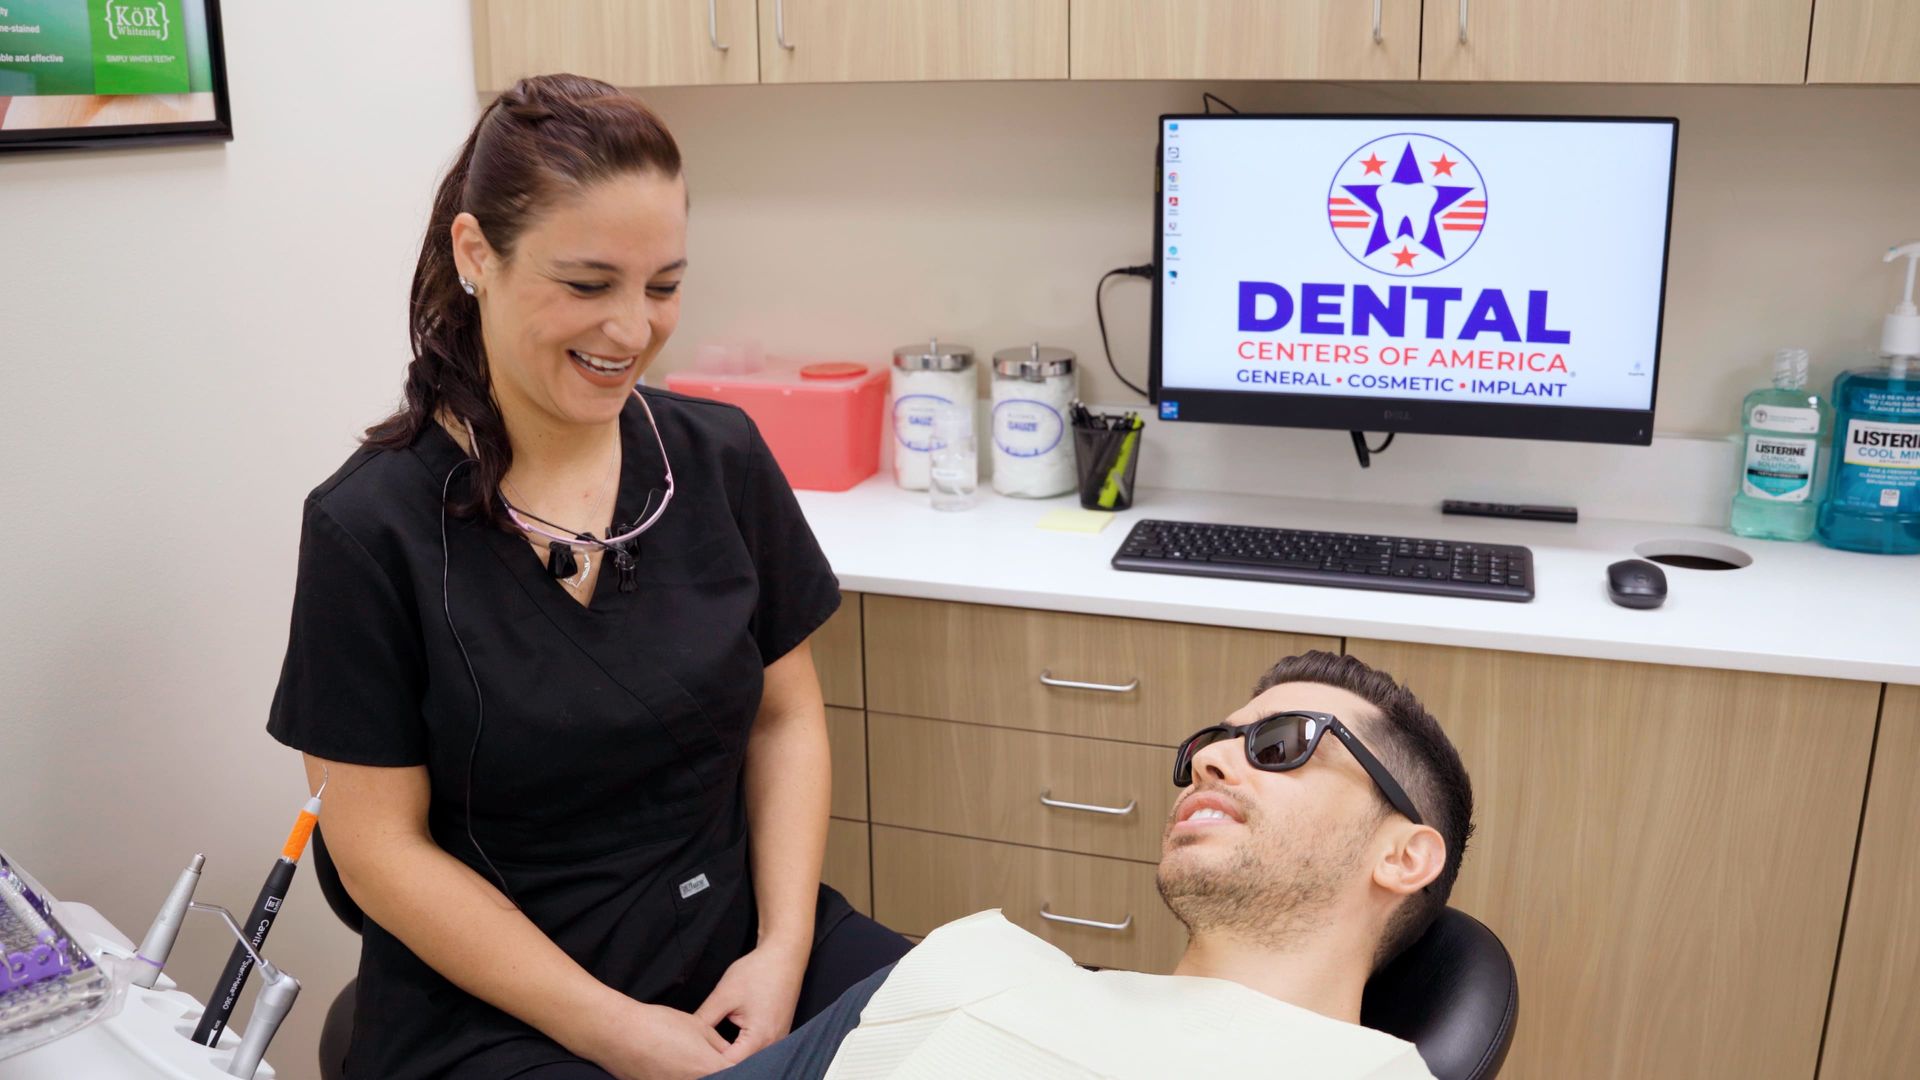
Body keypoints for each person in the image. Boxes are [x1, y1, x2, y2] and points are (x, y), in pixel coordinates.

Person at [265, 73, 908, 1080]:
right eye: (588, 283)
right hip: (503, 1006)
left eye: (663, 287)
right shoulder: (370, 529)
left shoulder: (720, 458)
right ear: (477, 253)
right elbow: (376, 852)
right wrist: (620, 1032)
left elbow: (786, 718)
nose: (632, 331)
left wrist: (782, 953)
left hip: (741, 949)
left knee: (985, 1033)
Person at [711, 650, 1475, 1079]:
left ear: (1405, 855)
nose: (1209, 759)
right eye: (1209, 742)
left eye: (1281, 743)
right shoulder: (971, 961)